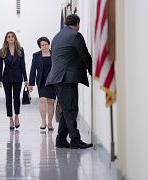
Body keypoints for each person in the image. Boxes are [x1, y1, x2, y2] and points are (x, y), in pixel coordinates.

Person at [46, 14, 92, 149]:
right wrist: (92, 69)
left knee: (66, 108)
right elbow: (84, 54)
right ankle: (75, 140)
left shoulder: (57, 36)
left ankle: (60, 139)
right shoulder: (75, 35)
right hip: (66, 78)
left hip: (57, 77)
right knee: (71, 109)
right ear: (77, 24)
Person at [0, 31, 28, 130]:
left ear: (15, 38)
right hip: (6, 78)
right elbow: (0, 66)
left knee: (16, 98)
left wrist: (26, 79)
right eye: (8, 37)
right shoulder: (2, 51)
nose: (10, 38)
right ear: (6, 39)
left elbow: (23, 65)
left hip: (18, 77)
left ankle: (17, 116)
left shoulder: (20, 50)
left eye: (12, 36)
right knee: (8, 98)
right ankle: (10, 118)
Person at [28, 37, 56, 131]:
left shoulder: (54, 54)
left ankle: (50, 123)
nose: (44, 46)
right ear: (40, 46)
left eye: (46, 44)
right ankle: (43, 122)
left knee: (51, 102)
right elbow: (33, 70)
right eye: (42, 45)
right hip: (42, 81)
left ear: (49, 45)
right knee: (42, 100)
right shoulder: (36, 55)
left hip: (52, 81)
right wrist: (30, 84)